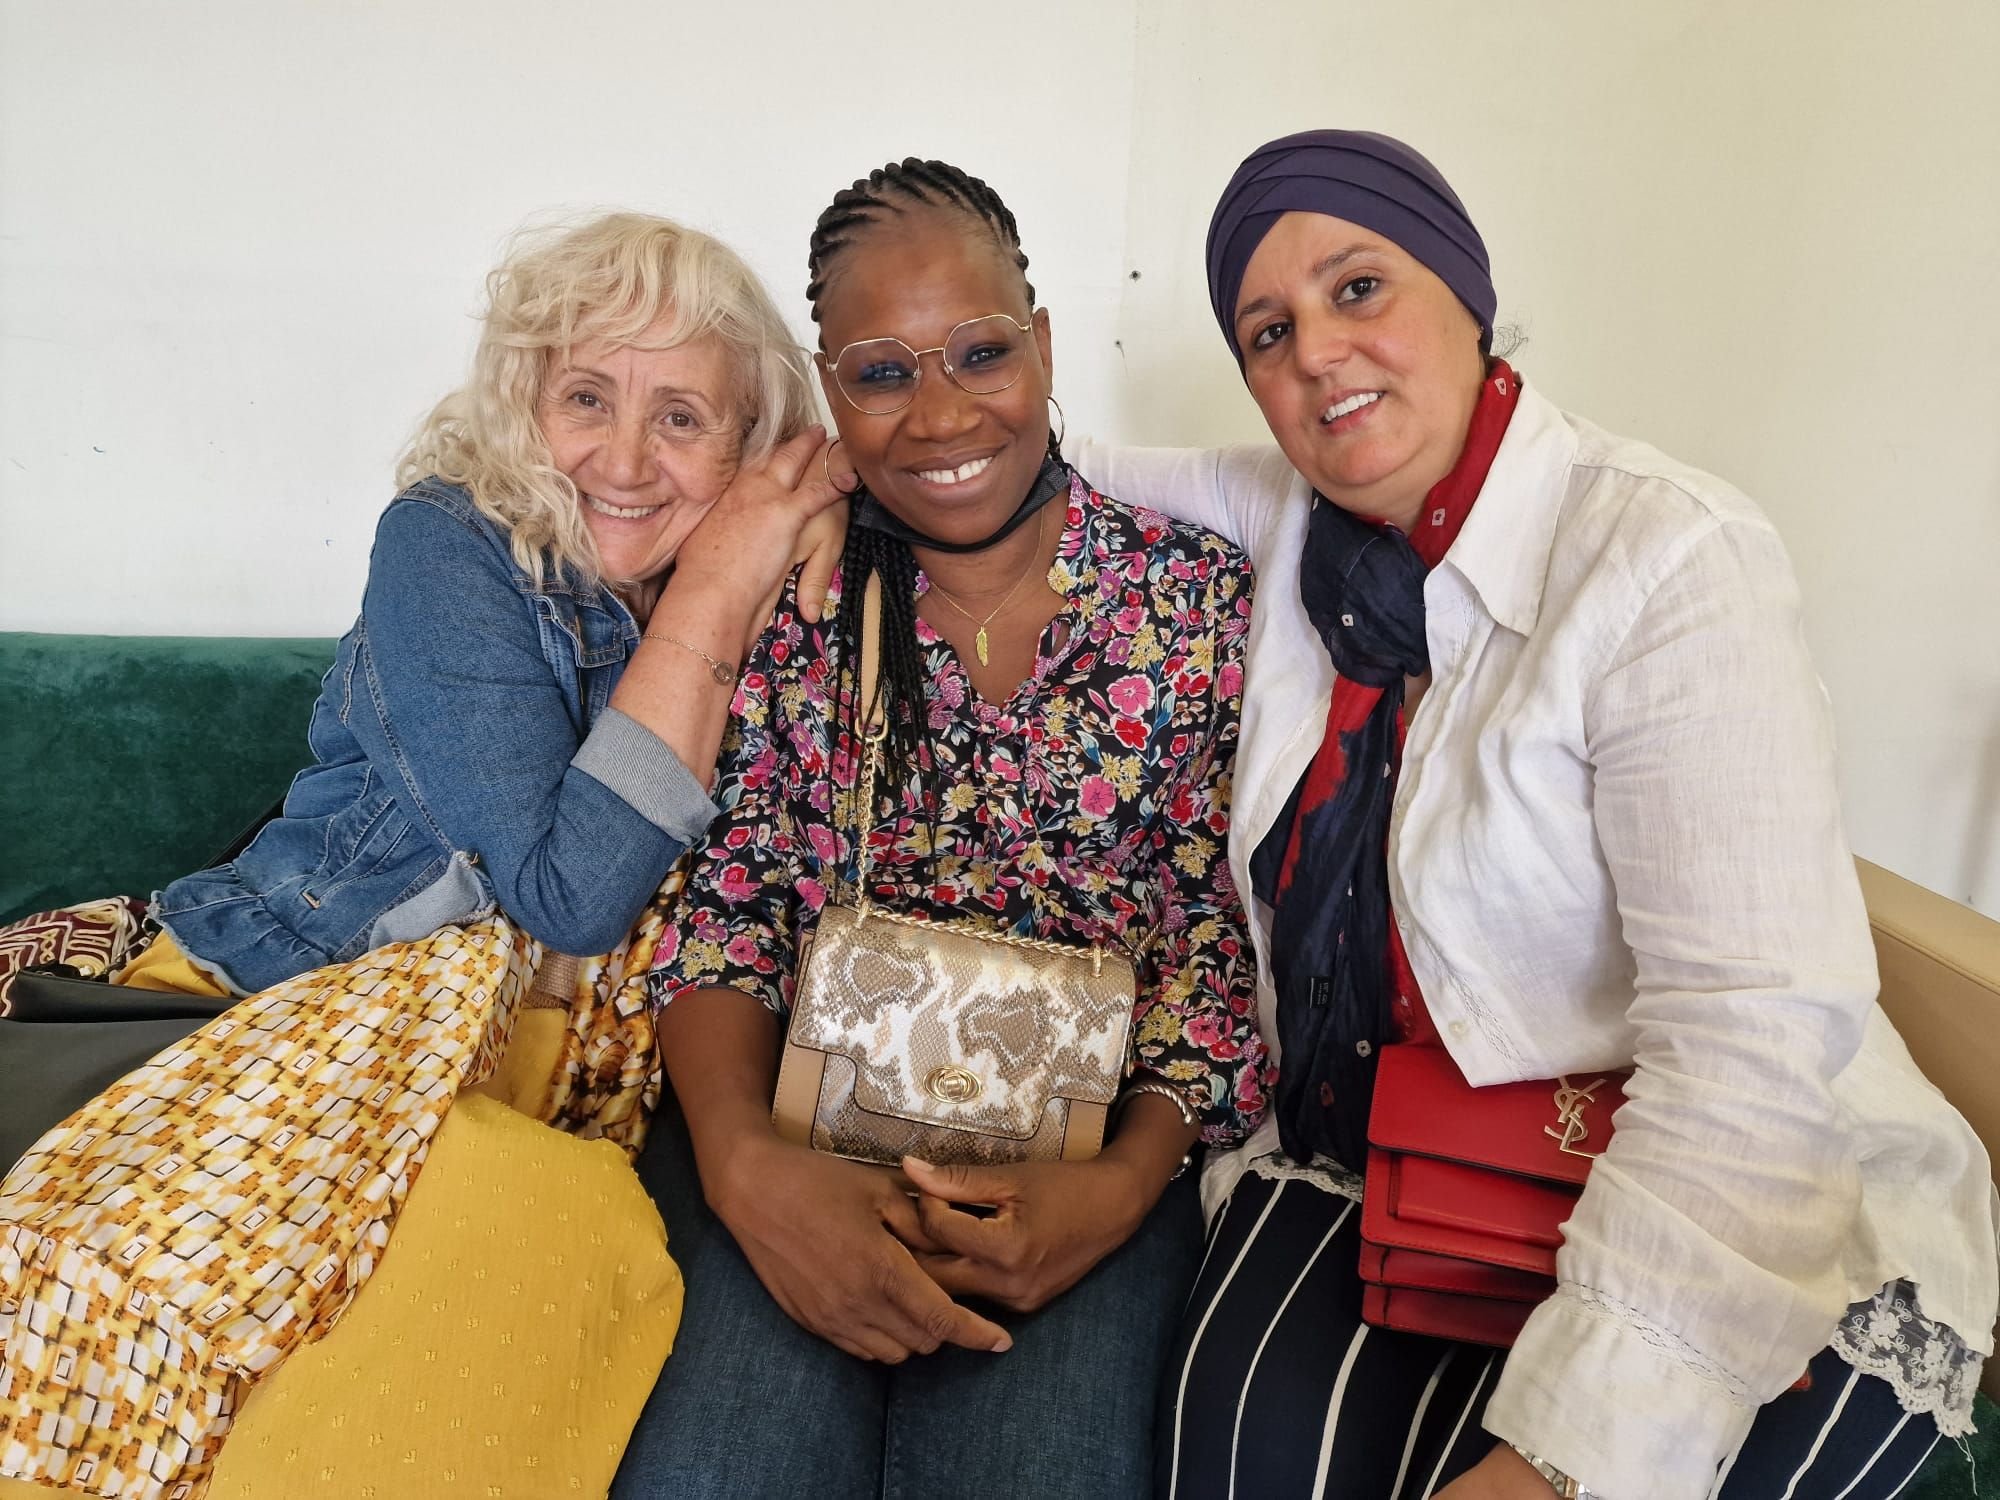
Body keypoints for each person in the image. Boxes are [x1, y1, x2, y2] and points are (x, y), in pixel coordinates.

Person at [1072, 130, 1996, 1500]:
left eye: (1360, 287)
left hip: (1707, 1170)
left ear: (1464, 286)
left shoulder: (1668, 557)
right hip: (1399, 1142)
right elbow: (1034, 454)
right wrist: (812, 474)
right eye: (1269, 331)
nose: (1318, 351)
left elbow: (1748, 1044)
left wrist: (1563, 1463)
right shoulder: (1288, 515)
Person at [614, 159, 1271, 1499]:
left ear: (1042, 346)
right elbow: (726, 903)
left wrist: (1124, 1190)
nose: (941, 415)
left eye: (981, 353)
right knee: (714, 1475)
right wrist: (741, 1170)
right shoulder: (792, 583)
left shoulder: (1192, 600)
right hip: (791, 1140)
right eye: (881, 372)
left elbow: (1215, 932)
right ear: (827, 386)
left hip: (1079, 1171)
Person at [107, 211, 846, 997]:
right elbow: (573, 901)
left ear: (750, 440)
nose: (626, 463)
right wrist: (716, 589)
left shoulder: (760, 557)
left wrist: (826, 496)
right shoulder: (444, 543)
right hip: (308, 991)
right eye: (587, 399)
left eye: (680, 418)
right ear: (524, 405)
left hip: (568, 1034)